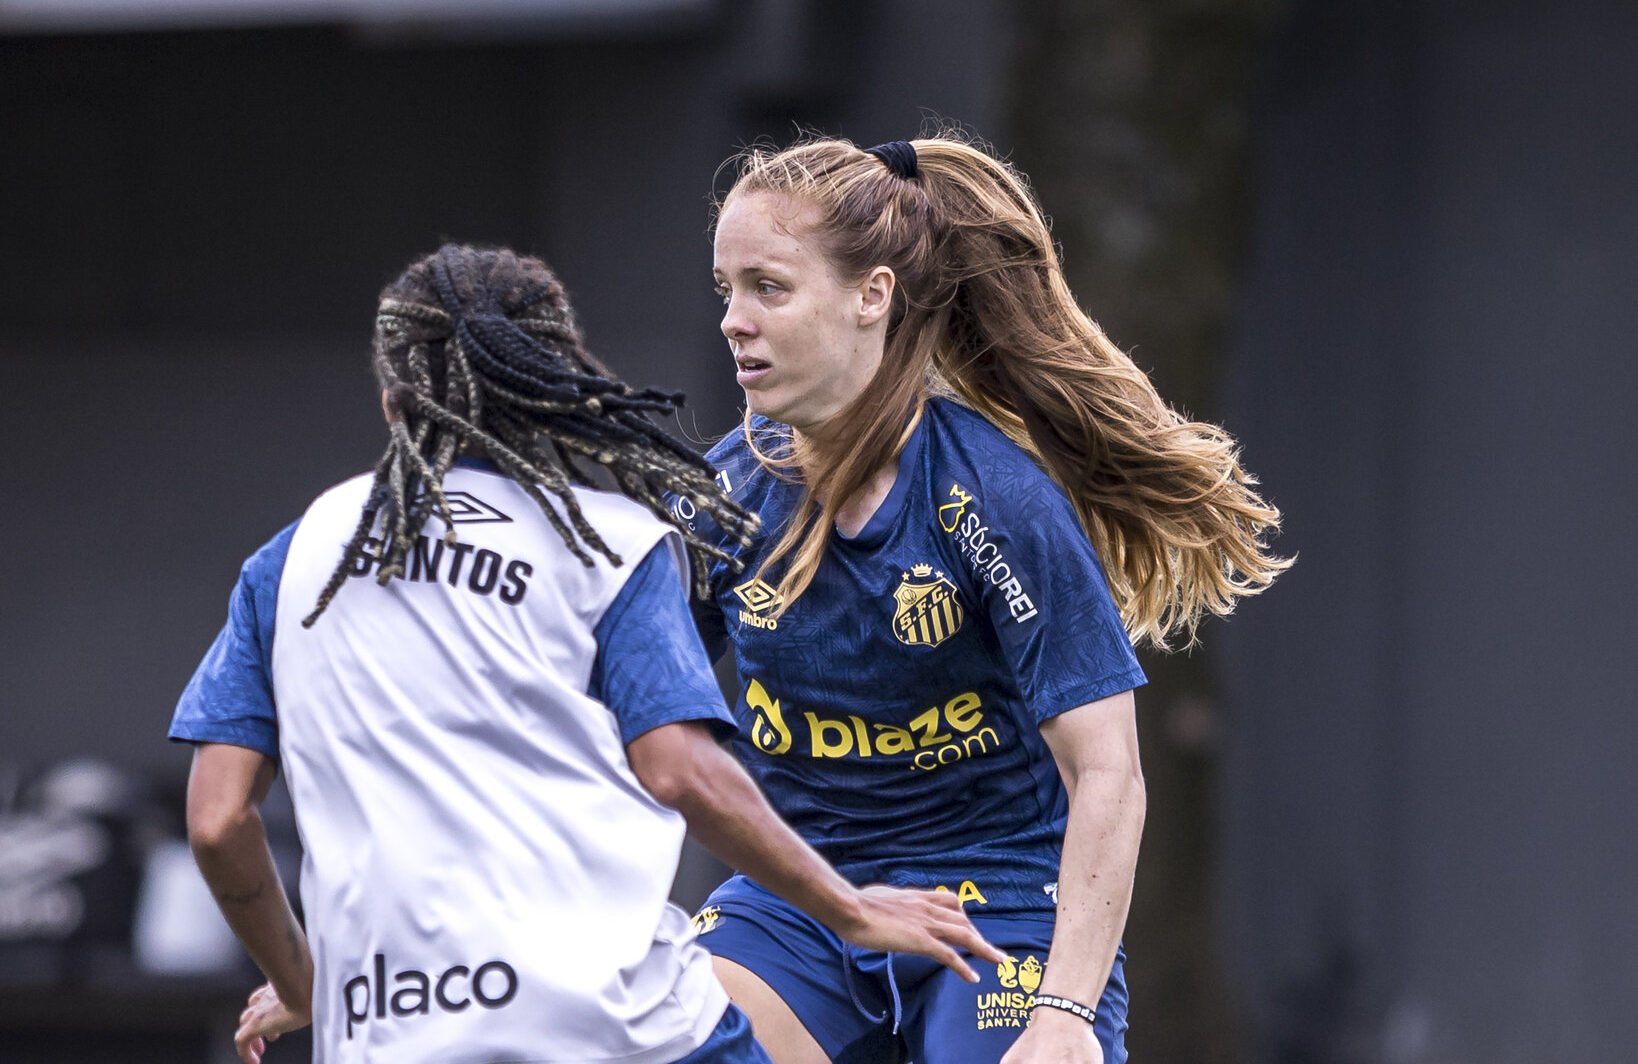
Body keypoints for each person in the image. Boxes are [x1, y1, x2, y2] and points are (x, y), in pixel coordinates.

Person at [169, 245, 1002, 1064]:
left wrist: (303, 981)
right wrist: (850, 909)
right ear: (555, 390)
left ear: (394, 403)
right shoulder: (609, 546)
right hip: (620, 1029)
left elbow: (216, 820)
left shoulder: (295, 562)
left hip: (389, 1032)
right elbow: (680, 772)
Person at [675, 135, 1292, 1064]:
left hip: (996, 908)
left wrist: (1067, 1014)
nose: (733, 320)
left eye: (768, 287)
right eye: (727, 288)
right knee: (674, 1035)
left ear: (872, 296)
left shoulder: (996, 502)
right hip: (798, 904)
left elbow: (1108, 775)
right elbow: (625, 721)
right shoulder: (719, 498)